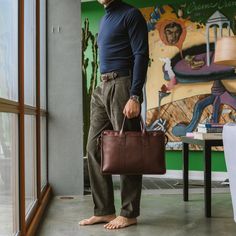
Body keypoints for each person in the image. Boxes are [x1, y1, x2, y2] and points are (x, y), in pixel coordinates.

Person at [79, 0, 149, 230]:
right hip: (102, 87)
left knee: (128, 149)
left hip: (122, 84)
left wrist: (135, 95)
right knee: (93, 147)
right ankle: (104, 210)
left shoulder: (131, 14)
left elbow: (140, 54)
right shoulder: (106, 17)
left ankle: (129, 213)